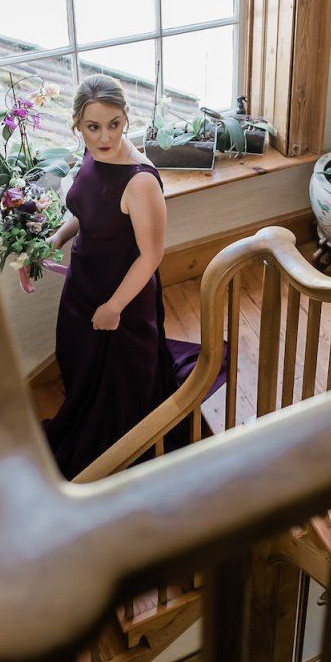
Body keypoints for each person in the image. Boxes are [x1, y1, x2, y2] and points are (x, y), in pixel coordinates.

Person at [43, 74, 225, 478]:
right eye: (93, 127)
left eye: (114, 124)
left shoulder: (140, 182)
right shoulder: (92, 154)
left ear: (126, 117)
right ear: (78, 125)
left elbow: (151, 255)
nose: (105, 136)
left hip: (122, 294)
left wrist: (114, 307)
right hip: (84, 283)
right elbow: (87, 209)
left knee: (121, 386)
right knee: (79, 359)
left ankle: (121, 450)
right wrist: (57, 237)